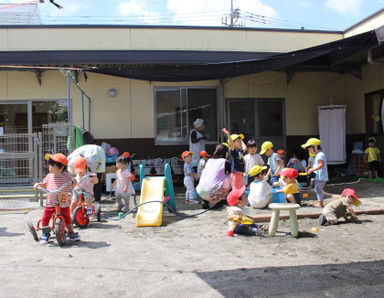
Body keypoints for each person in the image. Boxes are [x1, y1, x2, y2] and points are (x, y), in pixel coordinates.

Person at [33, 153, 79, 244]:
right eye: (49, 165)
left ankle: (71, 232)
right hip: (50, 202)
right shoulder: (49, 176)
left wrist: (74, 181)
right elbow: (44, 184)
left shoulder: (66, 176)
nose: (49, 167)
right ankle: (46, 233)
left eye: (52, 166)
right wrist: (38, 185)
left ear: (61, 167)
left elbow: (74, 182)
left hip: (63, 202)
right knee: (45, 217)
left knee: (67, 217)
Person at [196, 144, 231, 209]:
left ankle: (205, 201)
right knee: (229, 177)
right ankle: (222, 200)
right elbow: (228, 178)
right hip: (213, 193)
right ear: (226, 153)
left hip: (200, 191)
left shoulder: (209, 161)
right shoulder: (225, 162)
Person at [302, 138, 328, 208]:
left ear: (315, 146)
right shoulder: (318, 155)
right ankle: (320, 203)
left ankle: (320, 204)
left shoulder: (320, 154)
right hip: (319, 176)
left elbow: (321, 164)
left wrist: (313, 169)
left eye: (309, 148)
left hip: (321, 176)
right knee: (317, 189)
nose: (309, 150)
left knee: (318, 189)